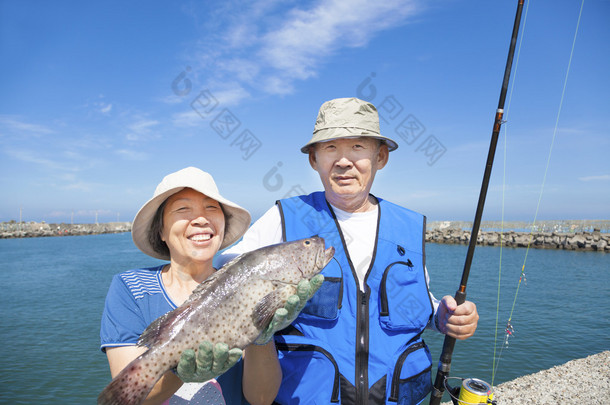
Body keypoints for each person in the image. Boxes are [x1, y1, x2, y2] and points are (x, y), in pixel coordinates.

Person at [217, 97, 479, 404]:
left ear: (380, 157)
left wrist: (442, 316)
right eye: (330, 148)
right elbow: (228, 274)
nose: (343, 161)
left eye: (357, 147)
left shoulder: (408, 226)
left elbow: (419, 301)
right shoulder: (283, 217)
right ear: (314, 160)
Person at [100, 167, 319, 405]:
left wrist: (261, 338)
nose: (202, 219)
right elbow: (131, 398)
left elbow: (262, 399)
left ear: (223, 224)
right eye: (183, 209)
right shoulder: (130, 288)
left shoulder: (250, 284)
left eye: (212, 208)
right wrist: (179, 372)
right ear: (160, 230)